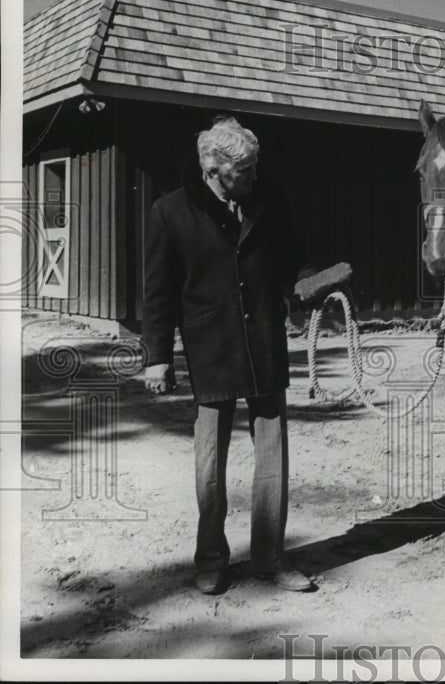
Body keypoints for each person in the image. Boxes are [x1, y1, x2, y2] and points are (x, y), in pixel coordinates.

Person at [142, 115, 315, 594]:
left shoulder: (267, 202)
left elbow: (291, 257)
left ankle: (270, 558)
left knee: (273, 458)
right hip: (209, 350)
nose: (255, 176)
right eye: (246, 170)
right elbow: (157, 294)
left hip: (264, 346)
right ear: (215, 170)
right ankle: (212, 559)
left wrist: (311, 279)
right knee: (210, 463)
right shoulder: (169, 212)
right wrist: (158, 356)